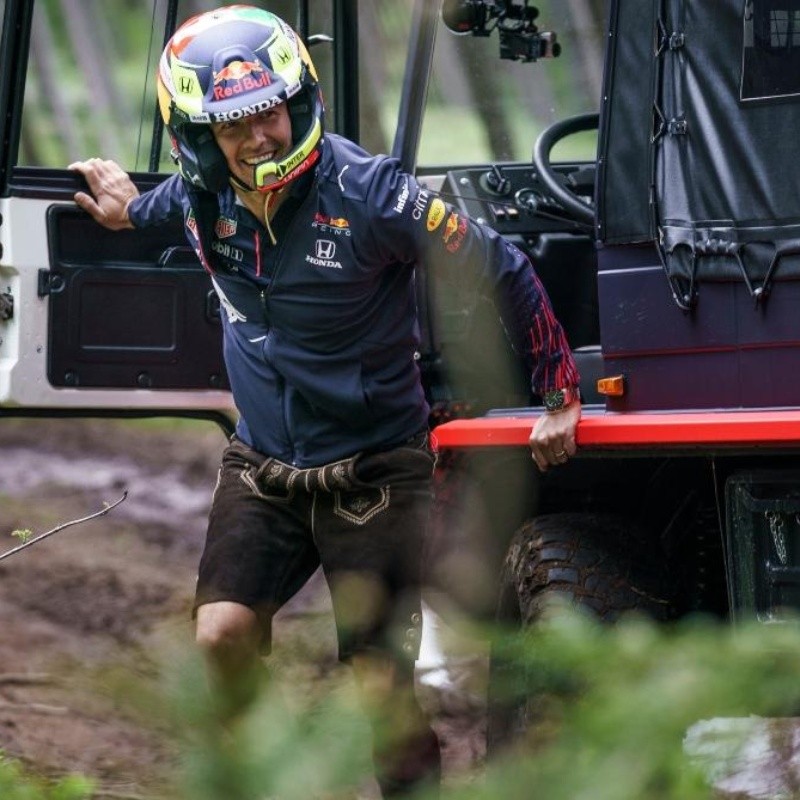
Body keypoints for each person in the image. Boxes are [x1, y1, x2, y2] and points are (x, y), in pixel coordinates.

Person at [69, 5, 581, 796]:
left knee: (380, 695)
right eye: (233, 126)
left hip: (377, 475)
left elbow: (499, 263)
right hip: (263, 465)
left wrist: (561, 392)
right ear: (200, 138)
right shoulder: (202, 195)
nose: (259, 138)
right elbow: (159, 207)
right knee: (220, 637)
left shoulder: (372, 193)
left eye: (267, 112)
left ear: (296, 101)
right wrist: (123, 210)